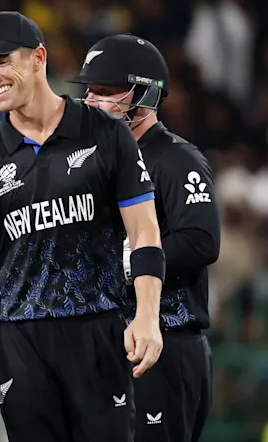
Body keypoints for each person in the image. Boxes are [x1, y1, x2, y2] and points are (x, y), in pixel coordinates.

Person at [0, 11, 166, 441]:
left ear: (39, 57)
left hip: (97, 330)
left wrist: (148, 315)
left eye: (2, 61)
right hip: (19, 339)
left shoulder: (106, 133)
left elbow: (145, 232)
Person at [71, 34, 218, 442]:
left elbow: (201, 239)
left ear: (144, 95)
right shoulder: (98, 164)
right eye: (89, 91)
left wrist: (126, 260)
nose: (92, 101)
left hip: (166, 341)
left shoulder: (174, 158)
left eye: (106, 92)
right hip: (109, 343)